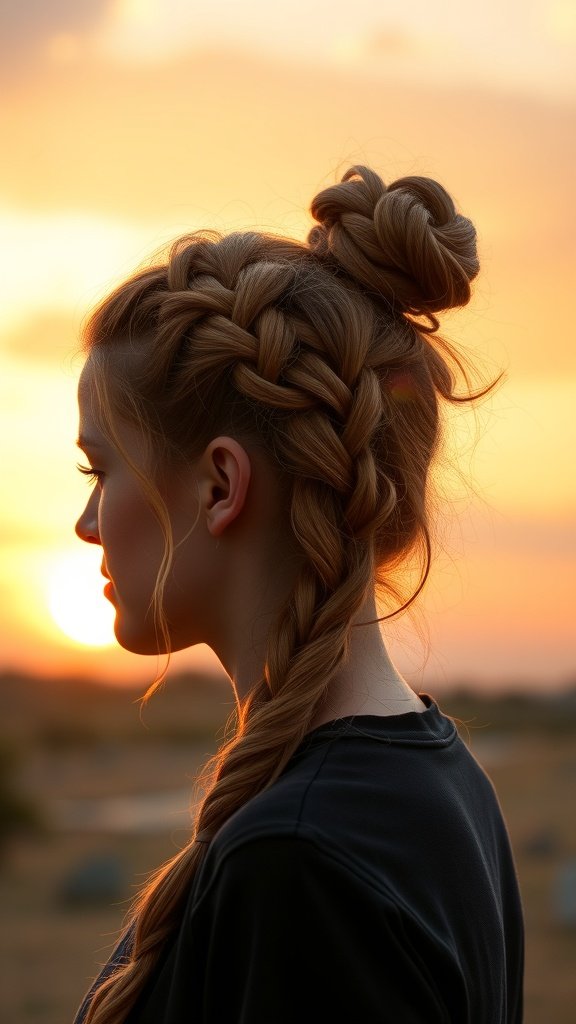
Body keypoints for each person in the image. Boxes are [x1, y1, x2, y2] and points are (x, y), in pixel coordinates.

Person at [72, 164, 524, 1024]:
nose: (87, 524)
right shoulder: (444, 781)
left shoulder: (295, 862)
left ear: (220, 486)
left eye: (100, 471)